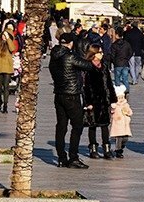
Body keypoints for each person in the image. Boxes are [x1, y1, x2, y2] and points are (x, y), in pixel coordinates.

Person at [48, 31, 93, 169]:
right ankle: (73, 157)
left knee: (61, 126)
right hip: (72, 95)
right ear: (71, 43)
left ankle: (62, 157)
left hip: (59, 94)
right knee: (77, 126)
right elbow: (88, 66)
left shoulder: (54, 56)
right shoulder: (70, 56)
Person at [82, 44, 116, 160]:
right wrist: (88, 102)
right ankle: (93, 148)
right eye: (99, 52)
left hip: (104, 100)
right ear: (93, 53)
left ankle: (107, 148)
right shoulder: (87, 67)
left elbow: (109, 84)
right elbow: (85, 86)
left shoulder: (104, 66)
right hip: (93, 101)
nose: (101, 54)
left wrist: (113, 100)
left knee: (105, 125)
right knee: (93, 125)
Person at [0, 27, 18, 113]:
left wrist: (8, 39)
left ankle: (5, 105)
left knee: (6, 87)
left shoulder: (10, 43)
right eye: (3, 35)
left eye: (5, 35)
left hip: (7, 69)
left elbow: (13, 49)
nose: (3, 37)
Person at [110, 84, 133, 159]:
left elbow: (130, 112)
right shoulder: (115, 105)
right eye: (119, 97)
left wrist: (127, 112)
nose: (121, 99)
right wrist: (112, 108)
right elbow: (111, 112)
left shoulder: (125, 104)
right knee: (119, 138)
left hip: (125, 125)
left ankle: (121, 147)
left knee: (125, 138)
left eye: (122, 97)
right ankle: (118, 150)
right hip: (118, 124)